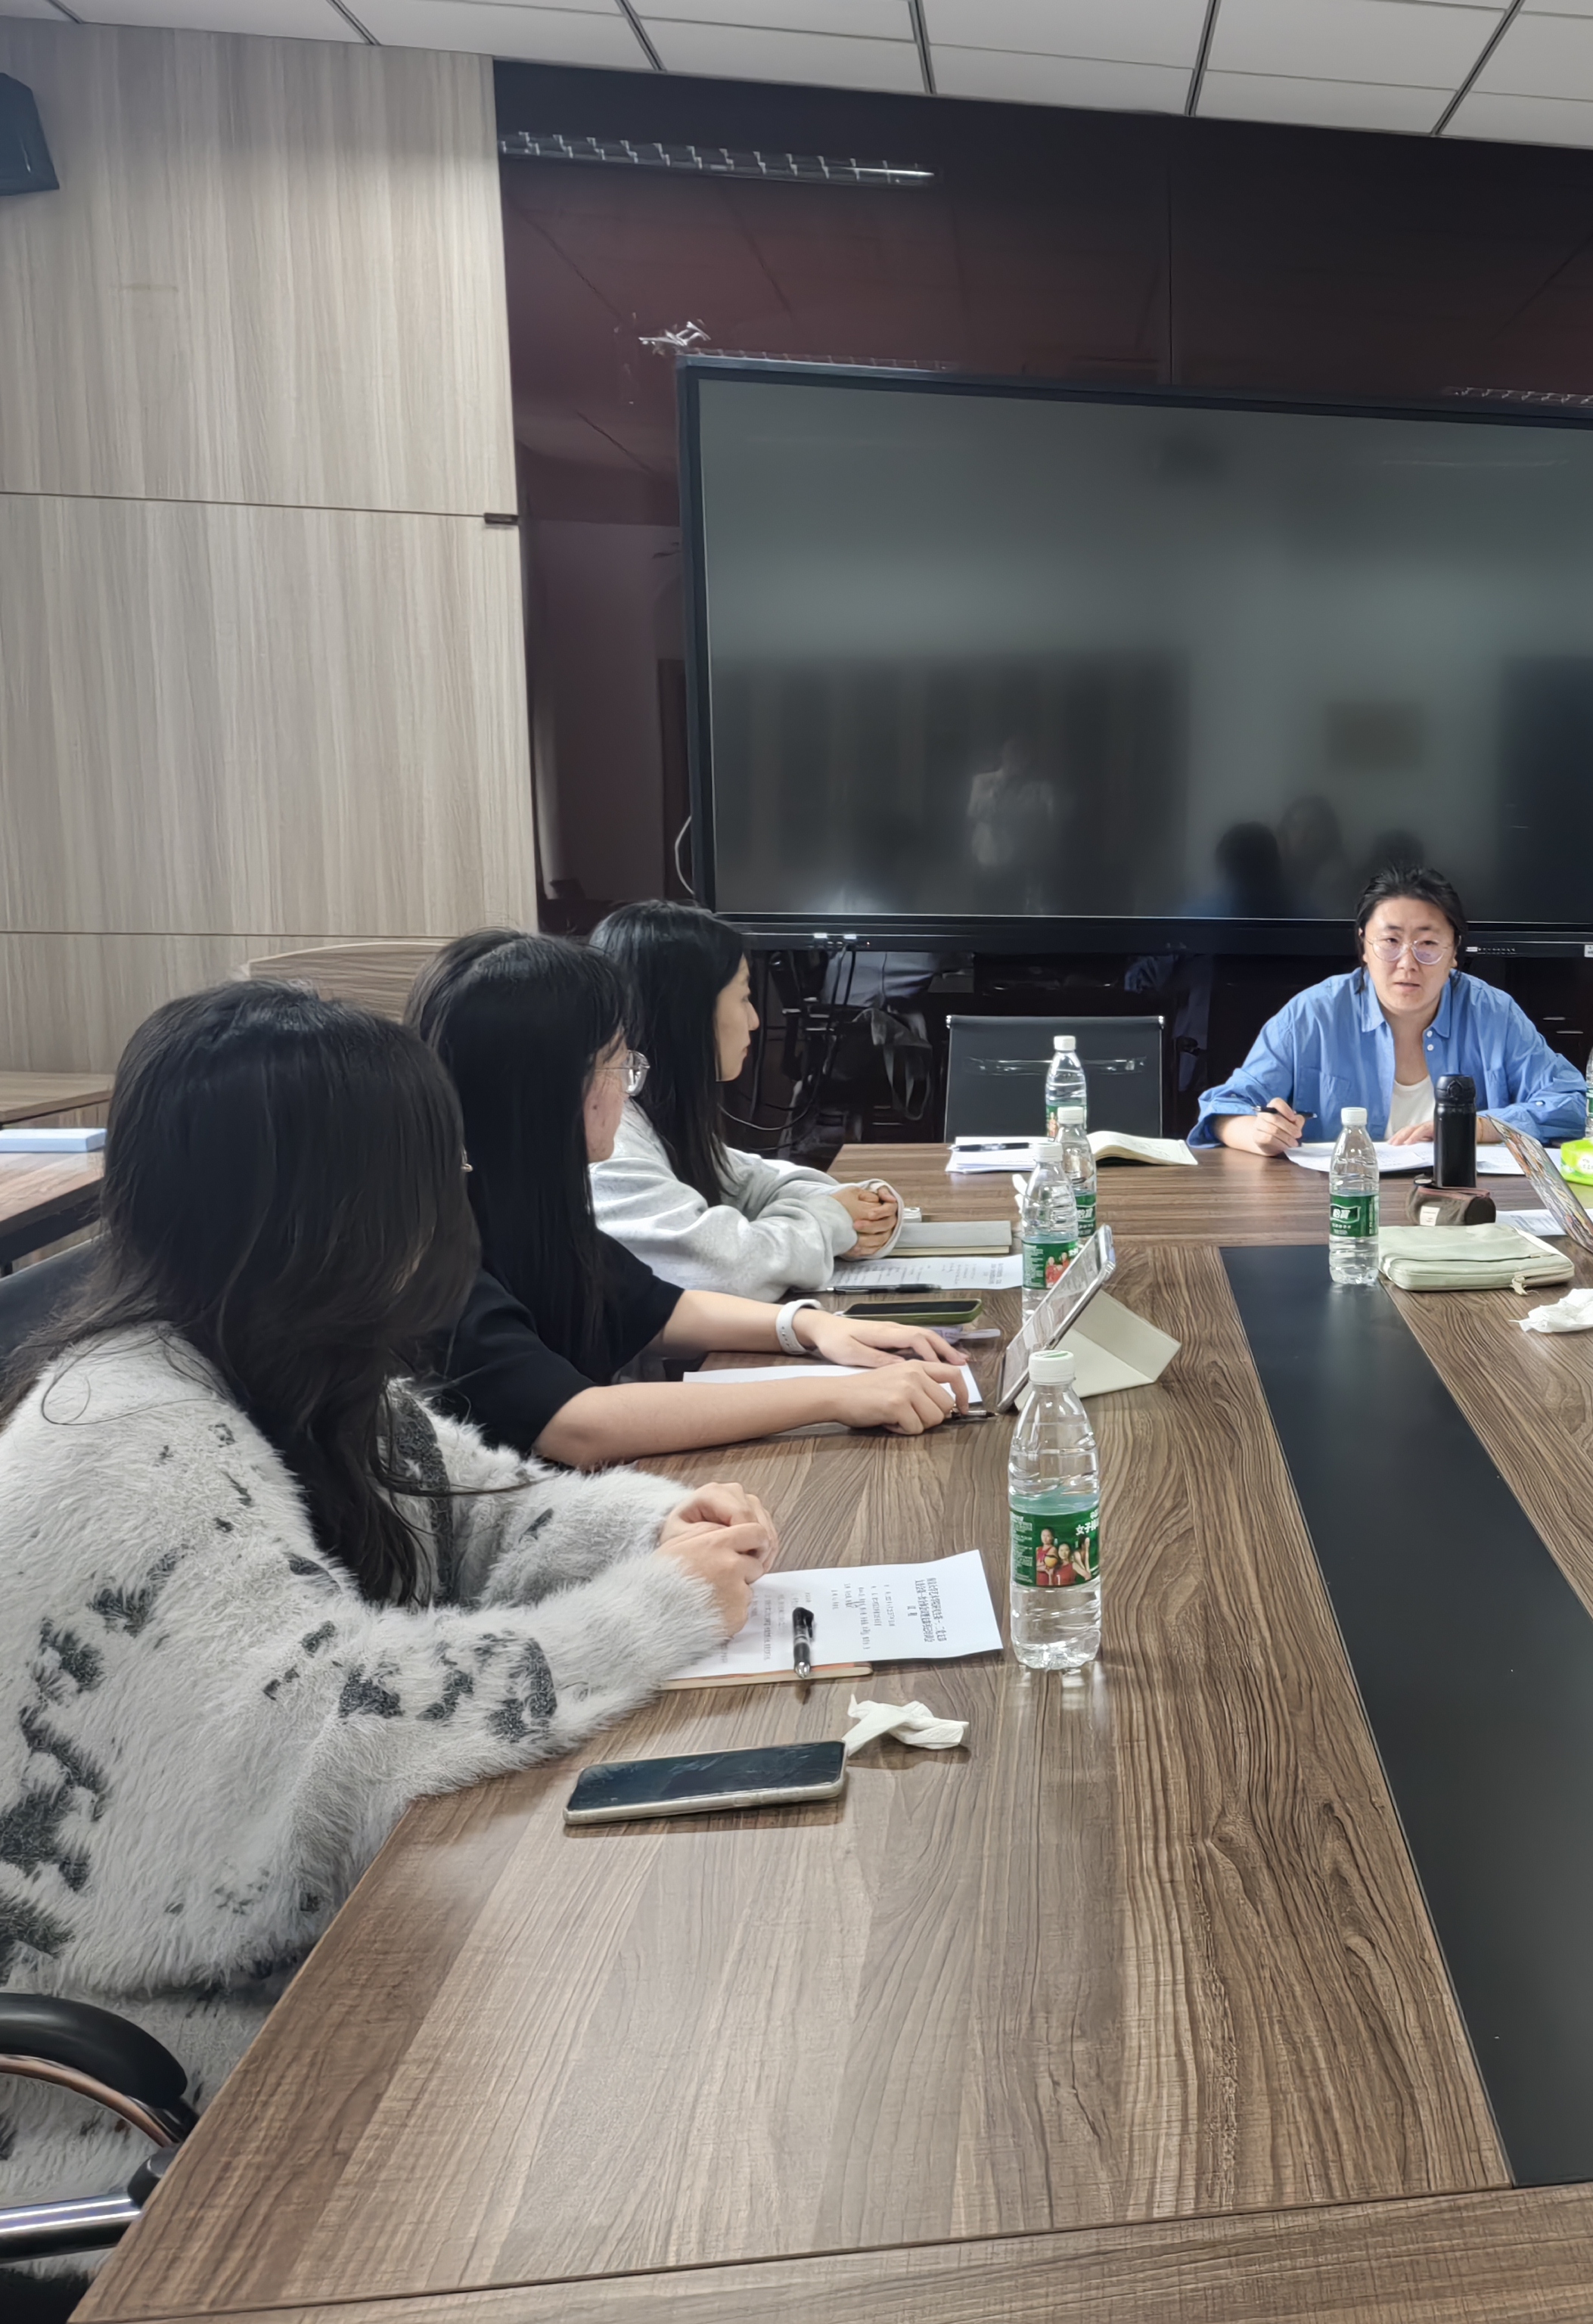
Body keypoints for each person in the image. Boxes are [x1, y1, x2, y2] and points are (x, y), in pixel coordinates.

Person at [0, 984, 765, 2245]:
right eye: (435, 1168)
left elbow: (486, 1516)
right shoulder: (124, 1445)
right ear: (337, 1209)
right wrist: (658, 1610)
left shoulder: (285, 1358)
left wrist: (652, 1527)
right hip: (165, 2095)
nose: (458, 1191)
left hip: (329, 1974)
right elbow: (348, 1735)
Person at [409, 933, 970, 1468]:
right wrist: (836, 1396)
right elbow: (577, 1424)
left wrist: (812, 1328)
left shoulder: (525, 1201)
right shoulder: (435, 1247)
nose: (627, 1087)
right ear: (550, 1087)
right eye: (618, 1063)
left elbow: (661, 1309)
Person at [588, 901, 897, 1300]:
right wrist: (834, 1220)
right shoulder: (607, 1143)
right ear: (687, 1008)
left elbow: (757, 1183)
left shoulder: (653, 1119)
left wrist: (864, 1207)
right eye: (744, 997)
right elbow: (724, 1270)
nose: (754, 1020)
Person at [1191, 867, 1587, 1152]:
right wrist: (1259, 1135)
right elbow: (1223, 1109)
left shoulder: (1493, 1014)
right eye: (1391, 942)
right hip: (1335, 1206)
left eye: (1427, 944)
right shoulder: (1313, 1015)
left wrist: (1477, 1127)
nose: (1407, 963)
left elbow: (1575, 1103)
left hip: (1462, 1208)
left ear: (1454, 952)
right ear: (1364, 946)